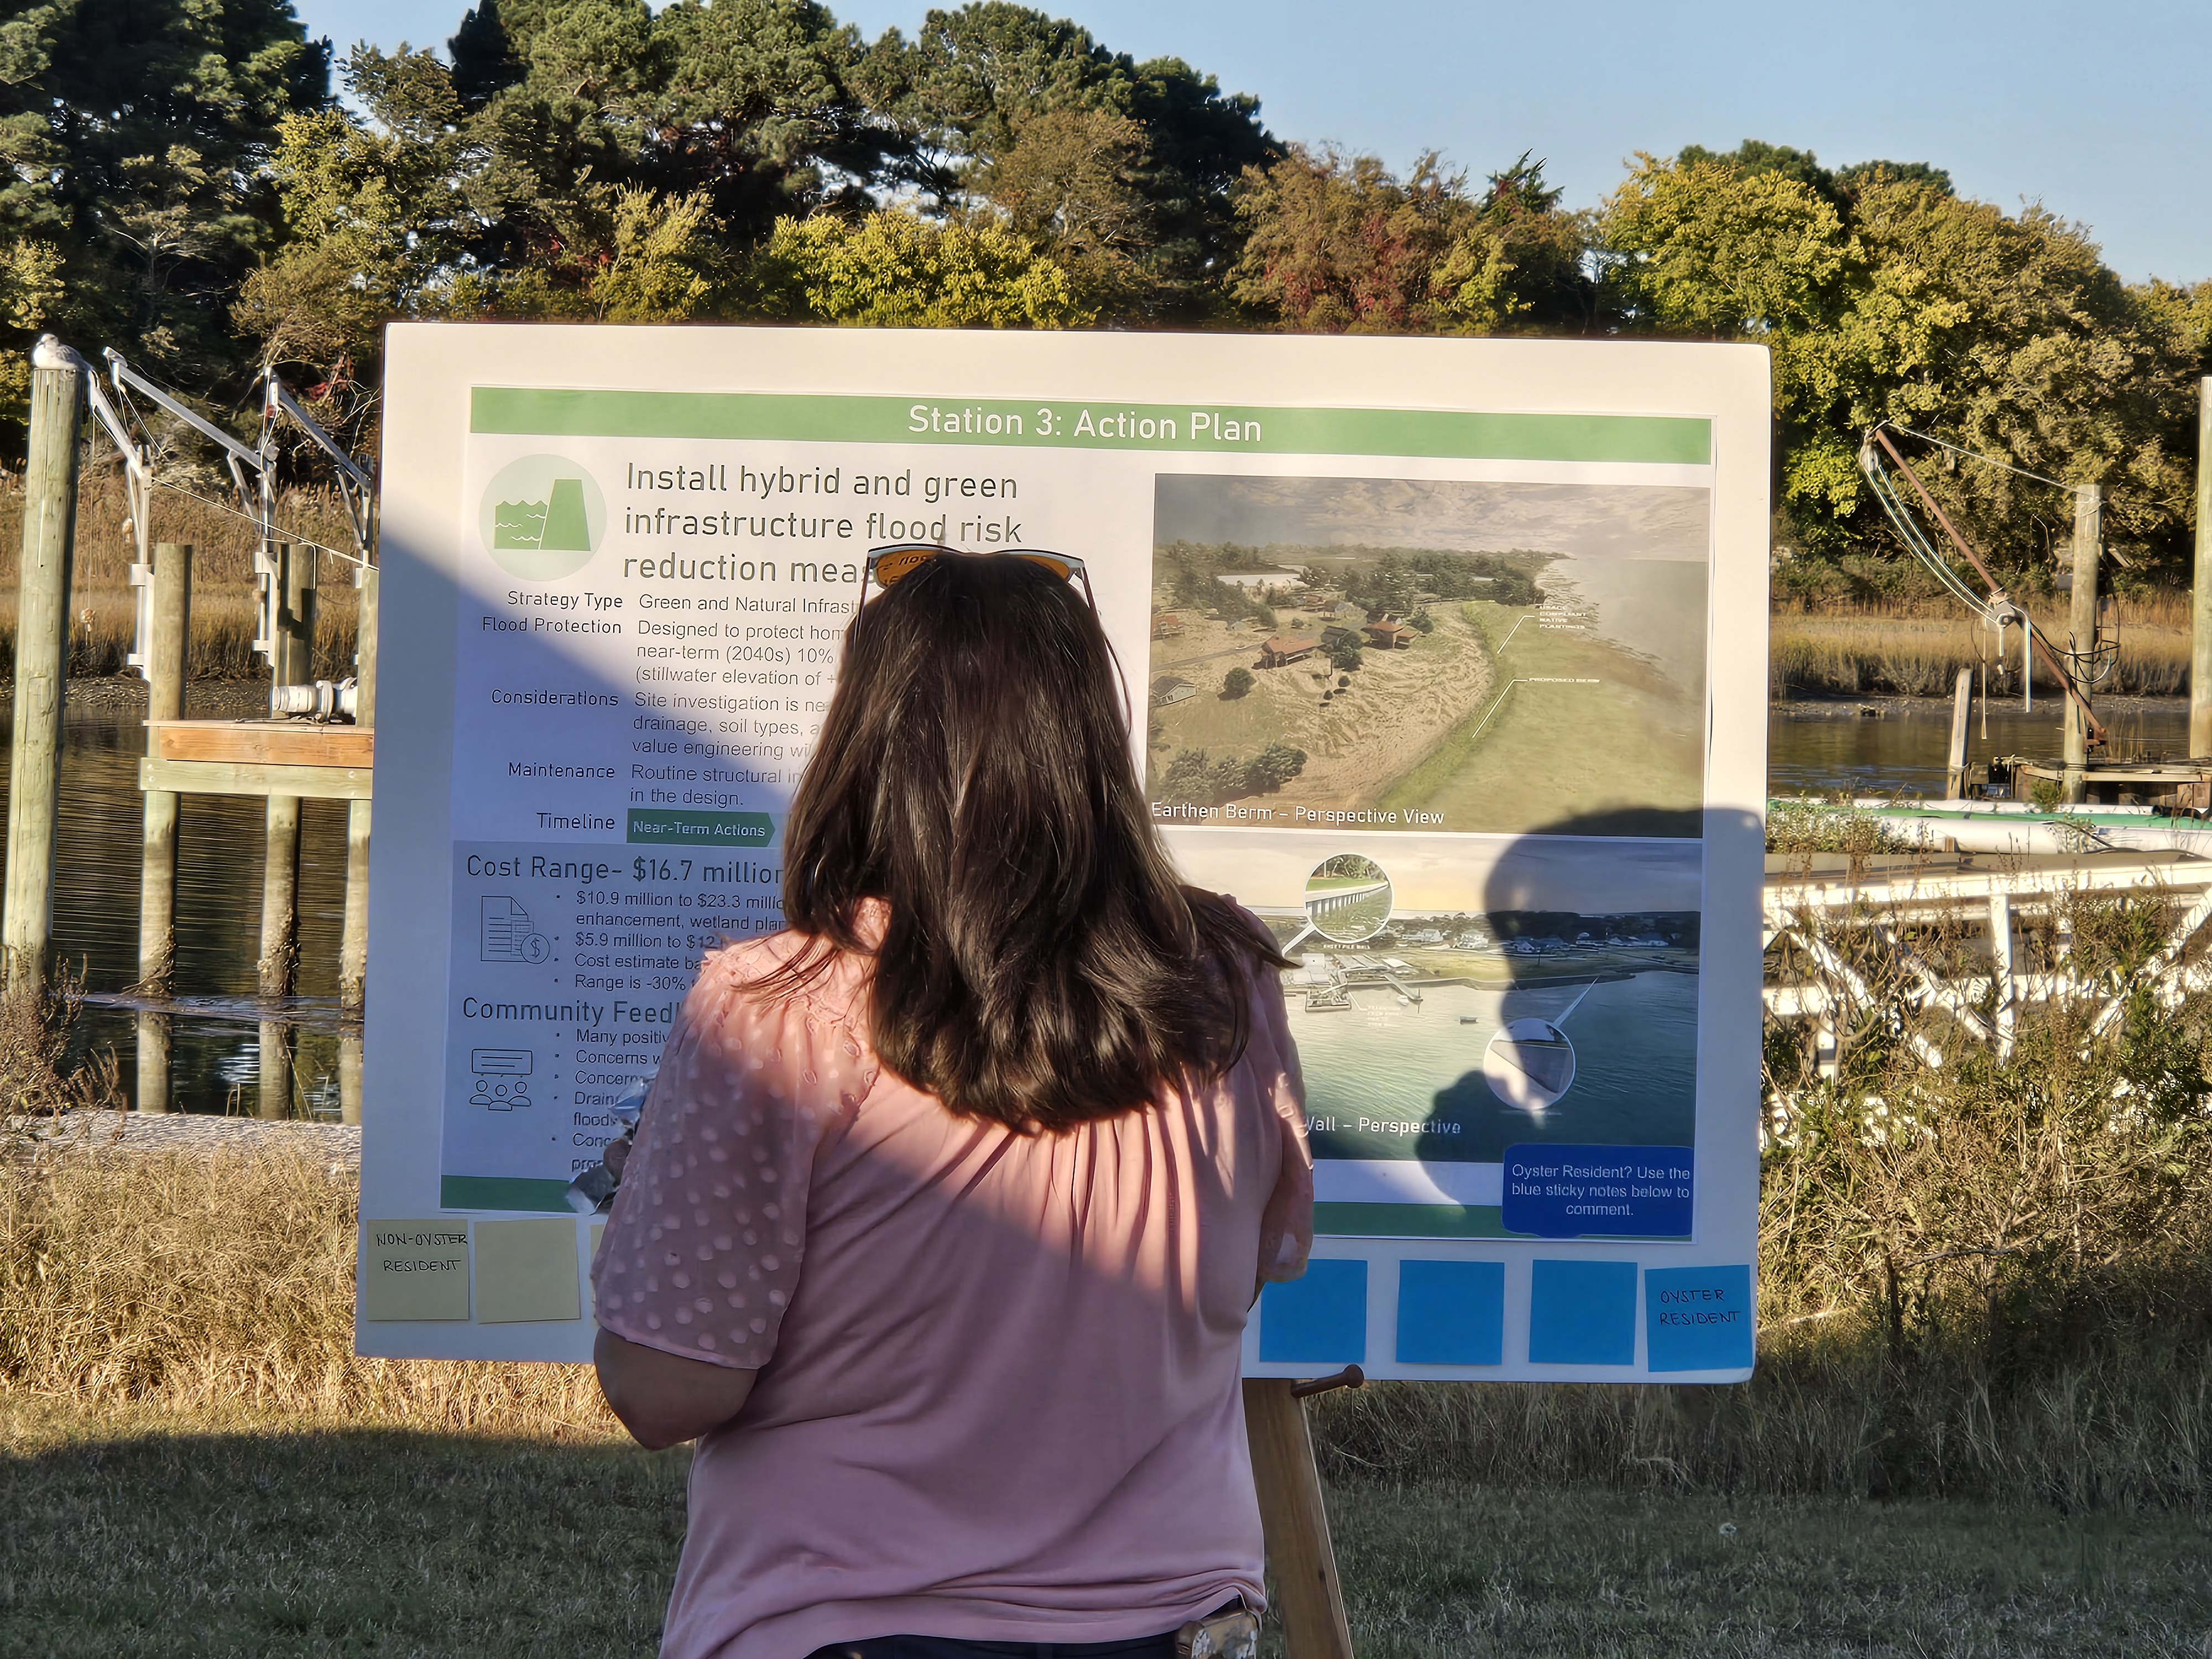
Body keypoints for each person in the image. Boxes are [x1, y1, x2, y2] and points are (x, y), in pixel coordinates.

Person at [591, 549, 1313, 1659]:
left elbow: (665, 1388)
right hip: (1173, 1623)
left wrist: (644, 1213)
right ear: (1093, 736)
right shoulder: (1223, 975)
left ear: (867, 739)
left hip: (844, 1621)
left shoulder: (776, 1008)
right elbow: (1249, 1268)